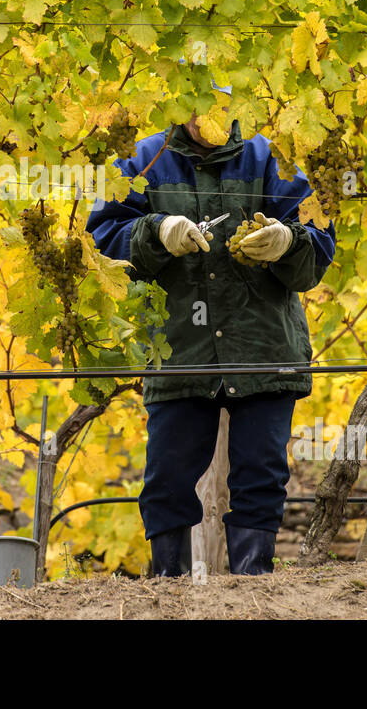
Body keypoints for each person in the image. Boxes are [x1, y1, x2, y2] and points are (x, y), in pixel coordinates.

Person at [86, 84, 337, 576]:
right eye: (197, 105)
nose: (208, 118)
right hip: (179, 350)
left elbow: (316, 256)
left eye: (221, 105)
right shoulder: (144, 159)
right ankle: (168, 591)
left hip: (263, 348)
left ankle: (252, 587)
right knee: (167, 479)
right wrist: (153, 233)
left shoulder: (272, 158)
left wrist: (290, 242)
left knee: (261, 476)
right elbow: (102, 245)